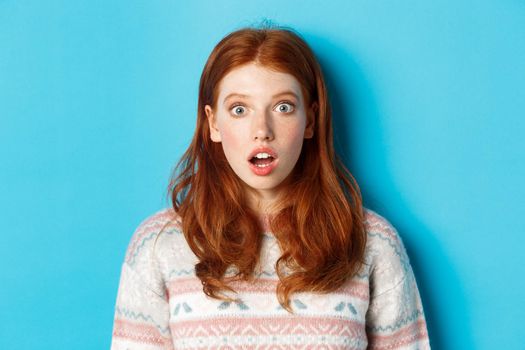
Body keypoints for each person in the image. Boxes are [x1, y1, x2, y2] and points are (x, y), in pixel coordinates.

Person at [111, 25, 430, 349]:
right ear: (213, 124)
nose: (262, 130)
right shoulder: (158, 245)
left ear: (310, 120)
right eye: (239, 109)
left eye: (283, 107)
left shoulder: (372, 242)